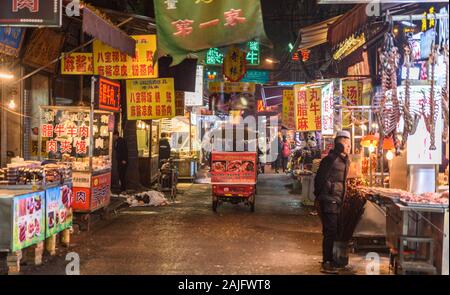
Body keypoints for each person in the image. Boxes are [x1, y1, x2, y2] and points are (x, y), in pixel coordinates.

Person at [313, 130, 351, 274]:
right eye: (347, 144)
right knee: (330, 231)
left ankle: (331, 259)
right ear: (340, 143)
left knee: (333, 231)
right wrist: (320, 197)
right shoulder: (331, 159)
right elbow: (319, 179)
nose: (349, 147)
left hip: (336, 199)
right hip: (329, 200)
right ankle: (327, 262)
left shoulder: (343, 159)